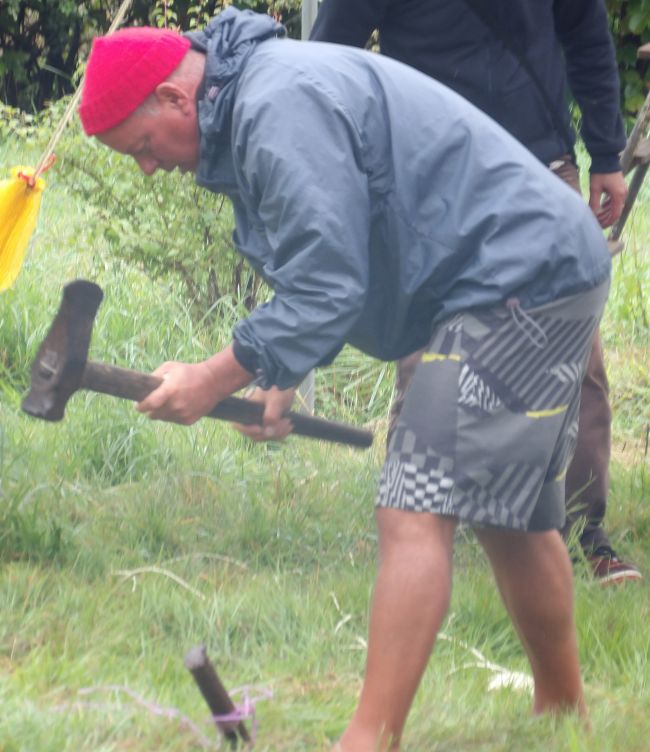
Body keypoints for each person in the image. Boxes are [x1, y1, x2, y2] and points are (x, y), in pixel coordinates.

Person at [79, 9, 612, 750]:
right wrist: (278, 371)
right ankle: (563, 722)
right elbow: (326, 257)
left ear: (173, 98)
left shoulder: (273, 105)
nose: (146, 166)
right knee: (510, 512)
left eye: (140, 146)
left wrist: (212, 375)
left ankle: (367, 741)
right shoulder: (253, 99)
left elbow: (328, 286)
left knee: (414, 504)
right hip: (520, 265)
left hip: (517, 273)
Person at [309, 0, 642, 585]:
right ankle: (420, 526)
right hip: (428, 176)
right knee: (427, 351)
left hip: (539, 166)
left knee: (572, 356)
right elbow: (329, 57)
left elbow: (586, 33)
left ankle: (585, 530)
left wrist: (605, 154)